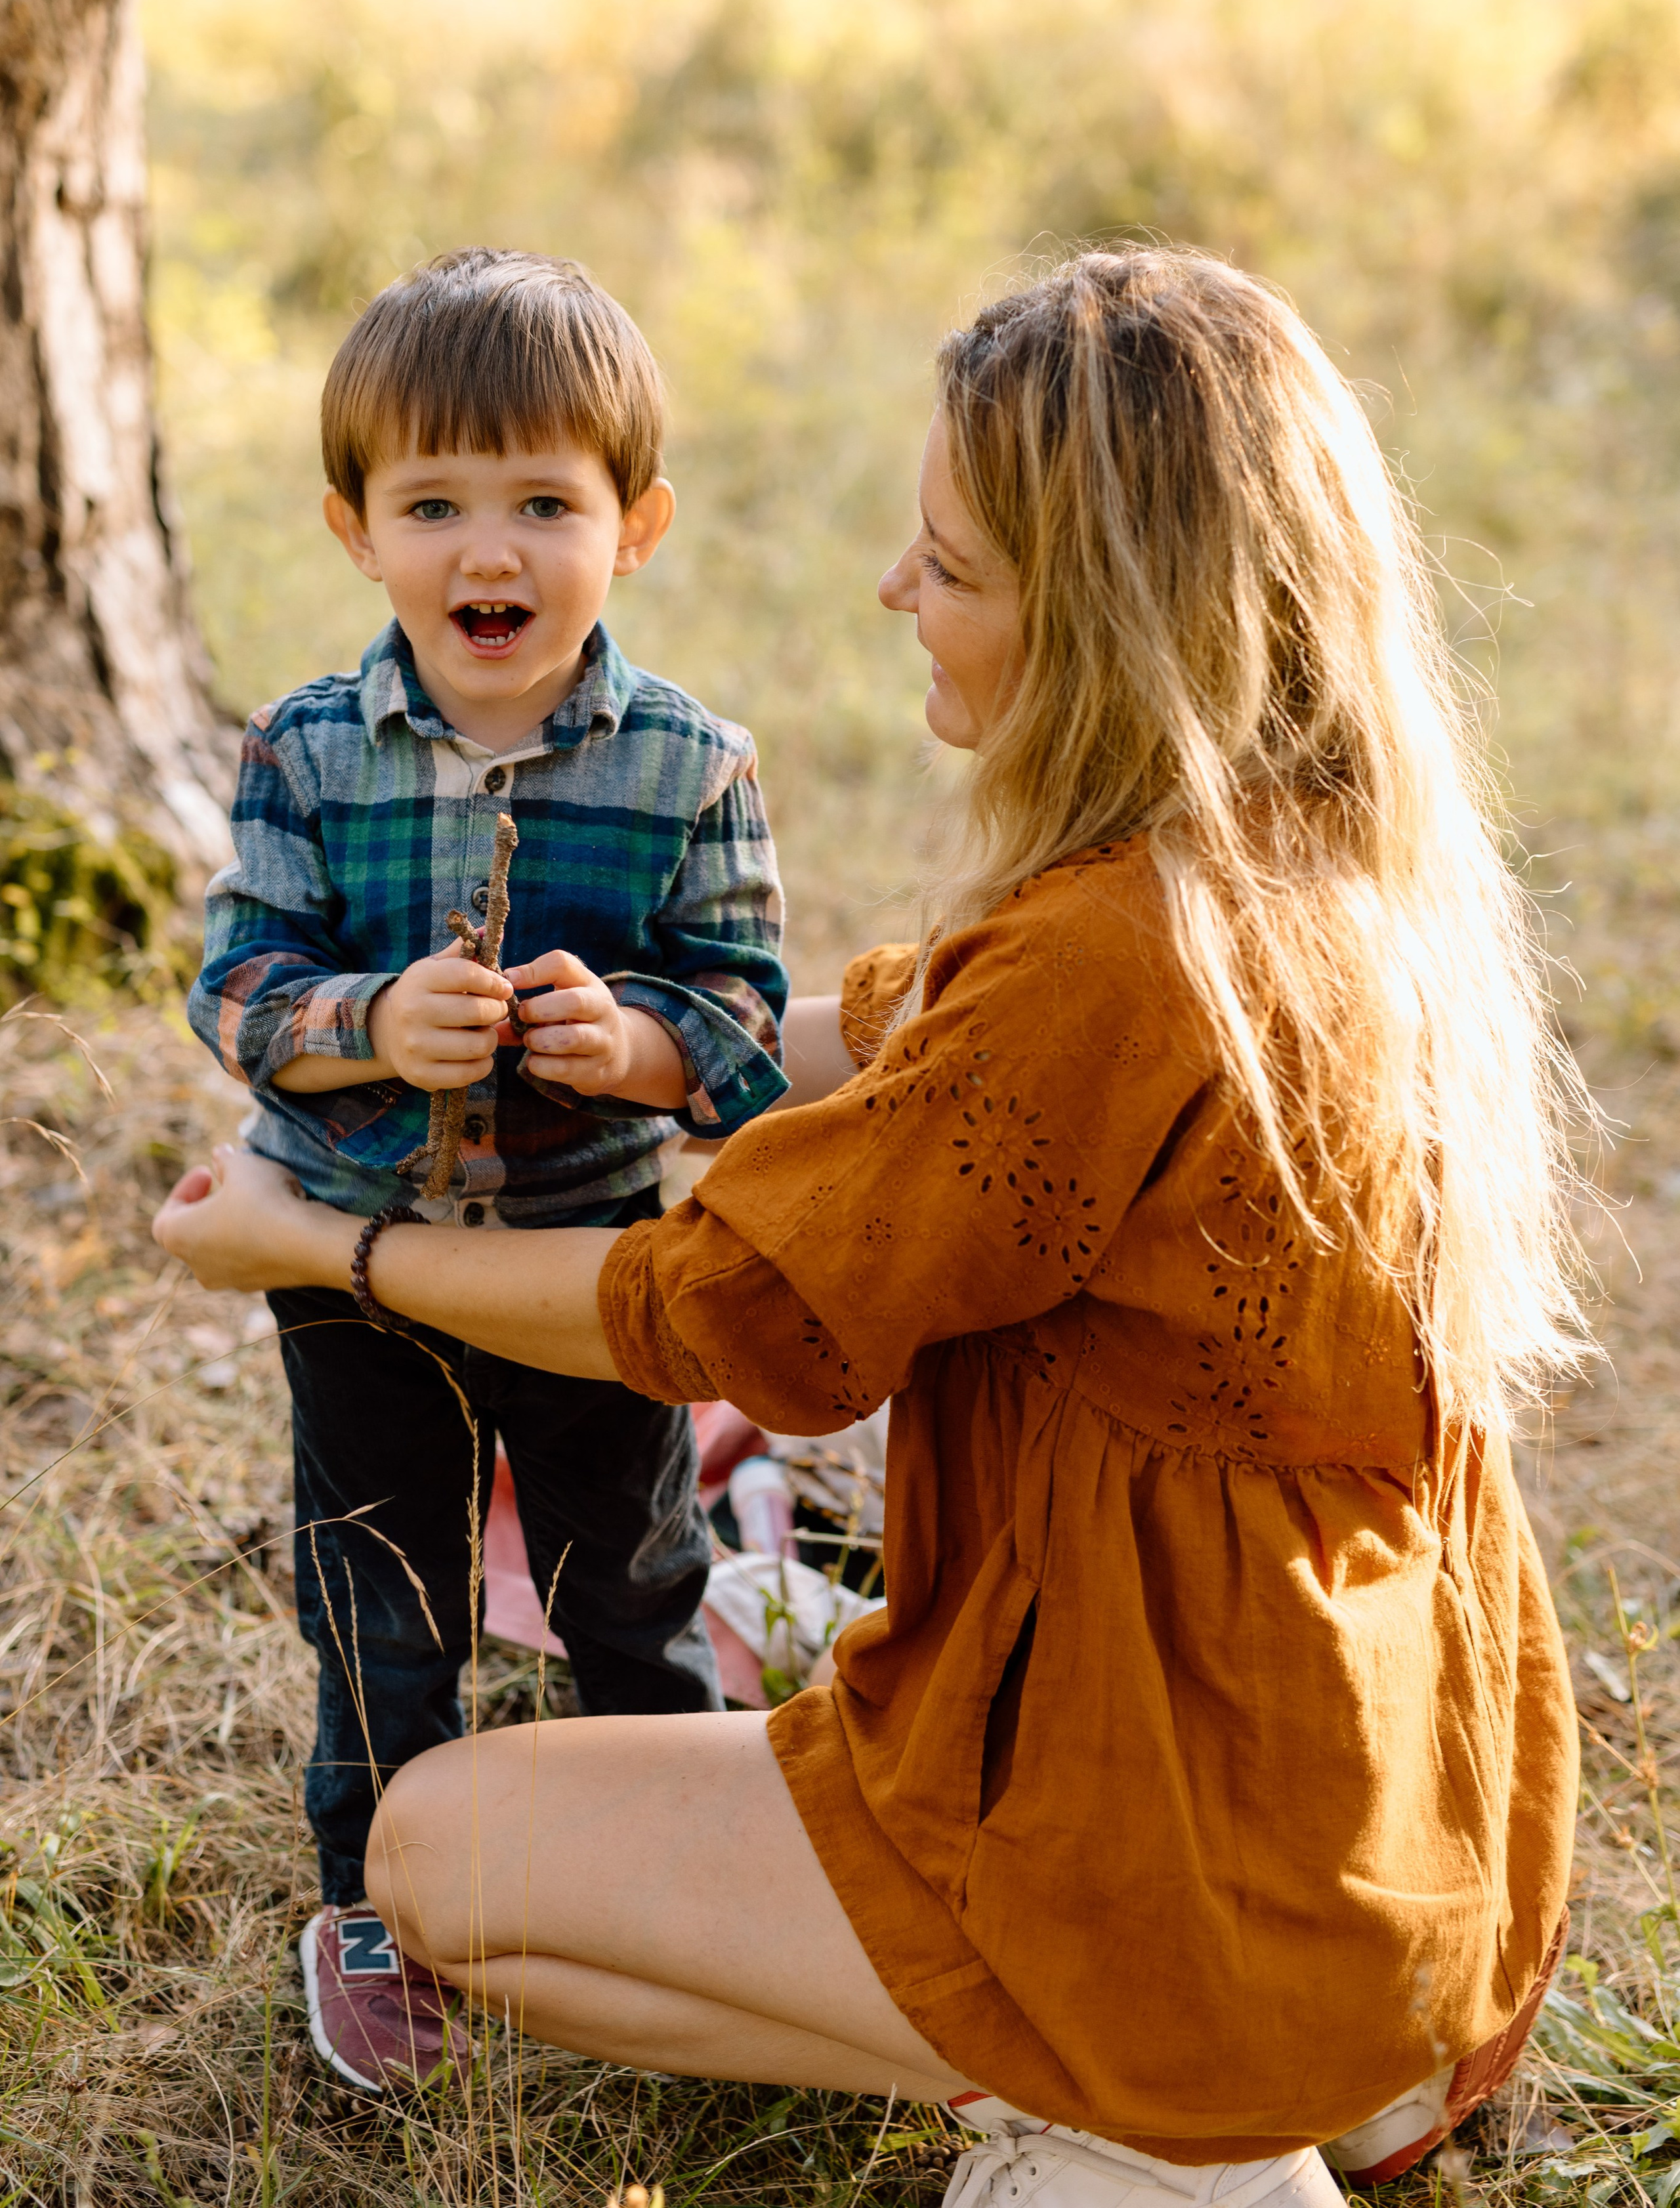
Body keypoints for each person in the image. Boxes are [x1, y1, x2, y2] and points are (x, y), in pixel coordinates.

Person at [159, 247, 1582, 2208]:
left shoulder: (1111, 960)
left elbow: (702, 1309)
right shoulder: (1293, 870)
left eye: (955, 565)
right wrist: (665, 1042)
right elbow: (921, 1039)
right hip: (1355, 1796)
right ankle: (1268, 2054)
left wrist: (321, 1249)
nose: (895, 589)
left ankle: (1149, 2124)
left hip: (1146, 1818)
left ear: (1103, 624)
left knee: (434, 1849)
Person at [186, 248, 789, 2092]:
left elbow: (745, 1012)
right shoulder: (307, 750)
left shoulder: (689, 764)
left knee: (633, 1572)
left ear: (636, 526)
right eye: (434, 504)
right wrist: (371, 1020)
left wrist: (638, 1046)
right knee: (383, 1589)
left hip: (586, 1262)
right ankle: (374, 1897)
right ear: (358, 530)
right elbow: (239, 993)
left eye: (543, 502)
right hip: (355, 1262)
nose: (488, 551)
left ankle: (679, 1868)